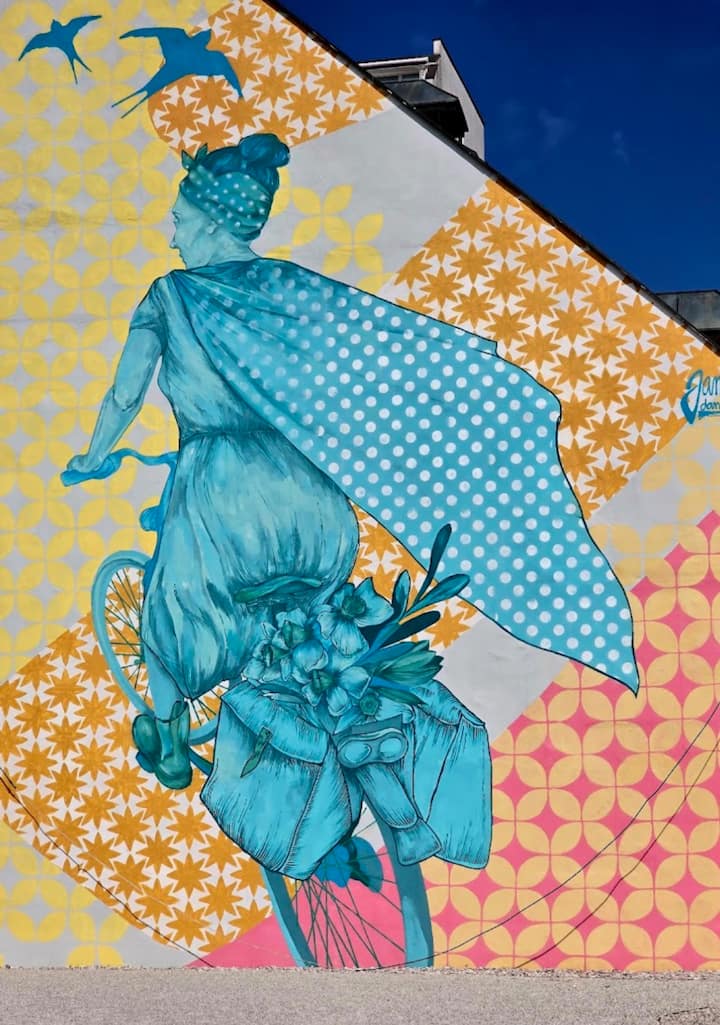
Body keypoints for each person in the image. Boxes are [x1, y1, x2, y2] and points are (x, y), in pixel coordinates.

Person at [66, 133, 639, 794]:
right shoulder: (292, 288)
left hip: (221, 507)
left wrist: (93, 456)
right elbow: (373, 357)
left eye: (180, 220)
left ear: (212, 220)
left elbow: (123, 397)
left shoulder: (169, 297)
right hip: (314, 516)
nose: (172, 237)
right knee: (317, 645)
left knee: (171, 617)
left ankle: (169, 738)